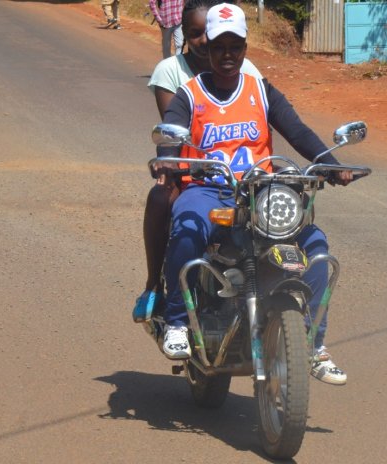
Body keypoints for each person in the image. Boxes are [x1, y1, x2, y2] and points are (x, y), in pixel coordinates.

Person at [156, 3, 352, 385]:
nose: (227, 56)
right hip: (210, 190)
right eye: (219, 47)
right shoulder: (189, 94)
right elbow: (170, 131)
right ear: (207, 48)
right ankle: (178, 322)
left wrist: (331, 163)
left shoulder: (261, 90)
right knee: (187, 226)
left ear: (245, 47)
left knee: (315, 246)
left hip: (263, 193)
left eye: (235, 46)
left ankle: (313, 346)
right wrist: (166, 160)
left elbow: (297, 131)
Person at [133, 0, 263, 325]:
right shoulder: (171, 71)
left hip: (239, 171)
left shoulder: (246, 70)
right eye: (196, 34)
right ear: (185, 36)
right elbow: (175, 131)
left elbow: (262, 122)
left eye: (211, 33)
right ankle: (154, 287)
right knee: (161, 198)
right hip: (191, 168)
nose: (205, 41)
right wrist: (173, 167)